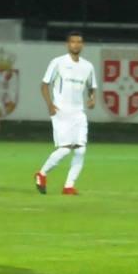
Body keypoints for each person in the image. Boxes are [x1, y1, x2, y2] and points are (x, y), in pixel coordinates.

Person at [34, 31, 97, 195]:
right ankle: (42, 174)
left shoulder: (88, 66)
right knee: (65, 149)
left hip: (79, 112)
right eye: (73, 41)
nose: (76, 44)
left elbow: (92, 87)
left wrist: (92, 99)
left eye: (79, 42)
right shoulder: (58, 62)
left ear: (82, 45)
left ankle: (69, 186)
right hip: (61, 111)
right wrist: (50, 104)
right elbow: (44, 84)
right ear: (67, 44)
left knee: (81, 150)